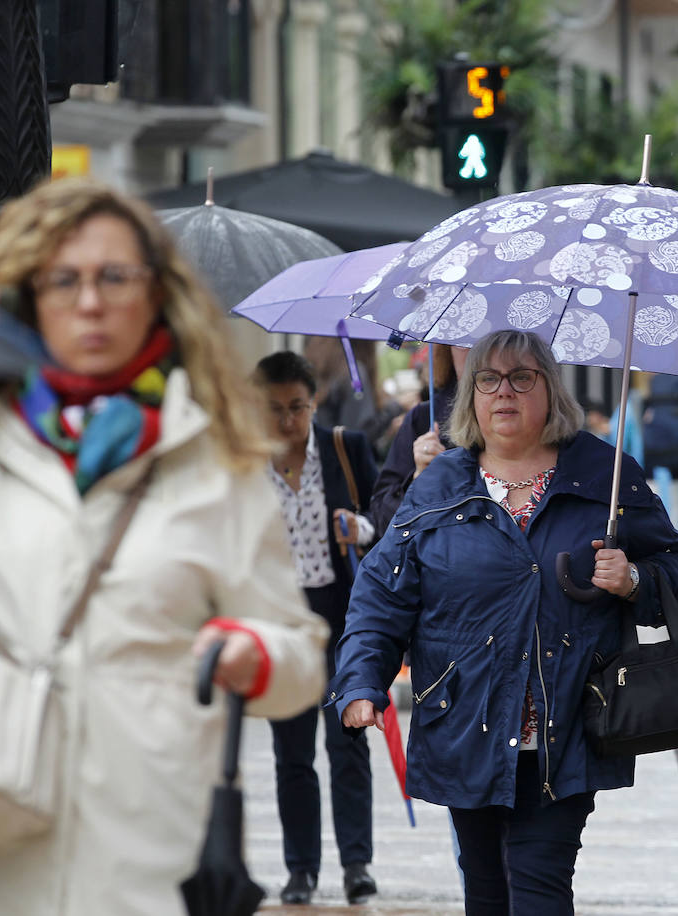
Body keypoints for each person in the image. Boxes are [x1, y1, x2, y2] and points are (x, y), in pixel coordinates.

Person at [0, 177, 329, 915]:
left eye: (113, 277)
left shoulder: (212, 456)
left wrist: (254, 654)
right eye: (61, 280)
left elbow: (298, 657)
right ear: (26, 293)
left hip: (135, 844)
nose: (89, 302)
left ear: (155, 292)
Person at [331, 329, 678, 915]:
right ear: (470, 396)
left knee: (538, 884)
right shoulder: (440, 483)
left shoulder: (603, 473)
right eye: (488, 380)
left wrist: (632, 580)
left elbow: (676, 567)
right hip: (465, 718)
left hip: (570, 722)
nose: (505, 393)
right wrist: (361, 682)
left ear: (550, 391)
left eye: (522, 378)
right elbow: (382, 593)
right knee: (486, 889)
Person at [253, 350, 380, 906]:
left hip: (342, 619)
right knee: (292, 755)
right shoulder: (245, 465)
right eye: (274, 409)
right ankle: (300, 868)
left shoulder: (342, 448)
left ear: (314, 402)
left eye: (297, 408)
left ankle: (357, 864)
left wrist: (362, 526)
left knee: (347, 744)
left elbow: (388, 515)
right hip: (282, 624)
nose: (286, 421)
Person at [366, 343, 468, 532]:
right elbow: (382, 518)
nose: (482, 351)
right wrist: (418, 480)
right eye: (464, 342)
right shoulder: (423, 419)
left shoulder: (531, 420)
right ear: (446, 349)